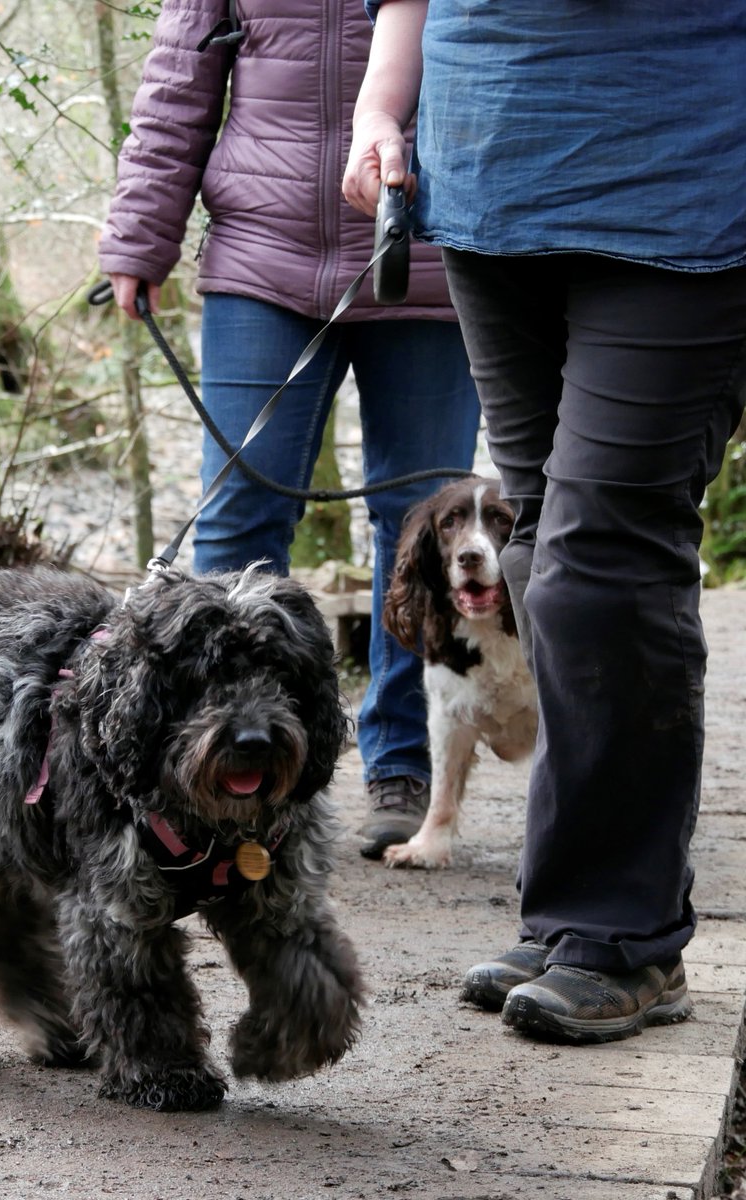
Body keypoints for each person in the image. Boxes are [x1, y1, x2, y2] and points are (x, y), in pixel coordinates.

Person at [343, 0, 746, 1043]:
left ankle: (626, 935)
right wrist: (383, 107)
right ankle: (572, 915)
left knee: (599, 553)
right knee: (536, 554)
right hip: (491, 177)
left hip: (688, 179)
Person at [97, 0, 481, 860]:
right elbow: (176, 84)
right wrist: (140, 235)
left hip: (422, 260)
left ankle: (399, 762)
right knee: (237, 522)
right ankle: (217, 765)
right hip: (260, 262)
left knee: (421, 529)